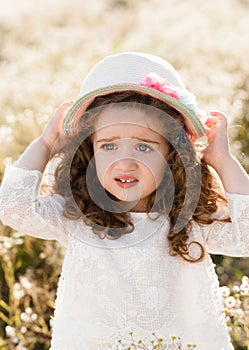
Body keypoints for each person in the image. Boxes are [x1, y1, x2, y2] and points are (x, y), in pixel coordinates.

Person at [0, 52, 249, 350]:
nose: (125, 162)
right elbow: (12, 207)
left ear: (172, 154)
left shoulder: (189, 218)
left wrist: (222, 159)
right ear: (90, 153)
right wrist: (46, 142)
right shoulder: (79, 215)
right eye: (109, 145)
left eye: (144, 146)